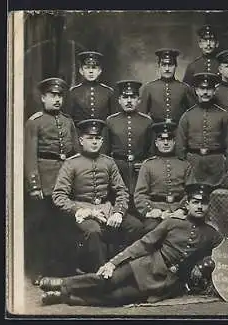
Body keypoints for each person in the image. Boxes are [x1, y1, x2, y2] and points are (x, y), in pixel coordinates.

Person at [39, 183, 223, 306]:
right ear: (188, 204)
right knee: (106, 281)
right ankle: (59, 283)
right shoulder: (172, 222)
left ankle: (63, 296)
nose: (199, 207)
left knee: (114, 298)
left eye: (204, 203)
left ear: (208, 206)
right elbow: (143, 244)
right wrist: (113, 263)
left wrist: (204, 264)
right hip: (145, 265)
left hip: (167, 281)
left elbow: (220, 254)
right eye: (195, 202)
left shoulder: (212, 233)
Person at [52, 119, 144, 273]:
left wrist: (118, 212)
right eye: (90, 138)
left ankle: (127, 271)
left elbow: (121, 190)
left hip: (106, 208)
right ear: (81, 140)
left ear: (102, 141)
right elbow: (59, 195)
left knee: (136, 227)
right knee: (94, 231)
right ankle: (100, 275)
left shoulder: (109, 162)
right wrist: (79, 210)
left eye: (97, 138)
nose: (94, 142)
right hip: (83, 211)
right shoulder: (71, 164)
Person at [25, 77, 79, 282]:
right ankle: (39, 271)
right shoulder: (35, 122)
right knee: (43, 228)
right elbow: (30, 156)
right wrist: (34, 185)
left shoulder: (67, 121)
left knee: (65, 227)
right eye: (52, 96)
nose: (57, 100)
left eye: (60, 96)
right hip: (44, 182)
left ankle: (65, 269)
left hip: (65, 181)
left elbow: (75, 154)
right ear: (43, 97)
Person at [176, 72, 228, 185]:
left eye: (209, 89)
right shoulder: (187, 115)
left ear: (214, 91)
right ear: (196, 91)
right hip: (193, 163)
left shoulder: (223, 115)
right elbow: (180, 147)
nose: (205, 92)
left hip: (217, 164)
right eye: (202, 89)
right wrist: (184, 167)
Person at [134, 121, 192, 234]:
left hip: (178, 211)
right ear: (156, 143)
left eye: (169, 140)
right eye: (161, 140)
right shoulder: (148, 165)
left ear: (174, 142)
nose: (165, 143)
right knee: (151, 229)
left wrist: (182, 209)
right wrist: (152, 210)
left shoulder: (184, 165)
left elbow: (190, 192)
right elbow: (140, 194)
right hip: (156, 211)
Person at [105, 80, 153, 197]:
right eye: (125, 97)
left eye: (133, 97)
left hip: (140, 169)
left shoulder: (147, 121)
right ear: (119, 100)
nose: (129, 101)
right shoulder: (111, 121)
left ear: (139, 100)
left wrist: (145, 166)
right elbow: (105, 151)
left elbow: (151, 150)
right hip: (117, 169)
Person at [138, 48, 196, 124]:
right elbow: (142, 116)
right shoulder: (149, 88)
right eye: (164, 65)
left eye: (170, 65)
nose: (167, 69)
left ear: (175, 66)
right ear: (159, 66)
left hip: (178, 131)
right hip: (155, 131)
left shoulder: (184, 88)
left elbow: (193, 114)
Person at [66, 51, 116, 123]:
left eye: (94, 68)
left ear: (99, 71)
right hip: (80, 133)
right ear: (81, 71)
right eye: (87, 68)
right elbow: (69, 120)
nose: (91, 71)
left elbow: (113, 119)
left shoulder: (108, 91)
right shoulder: (73, 92)